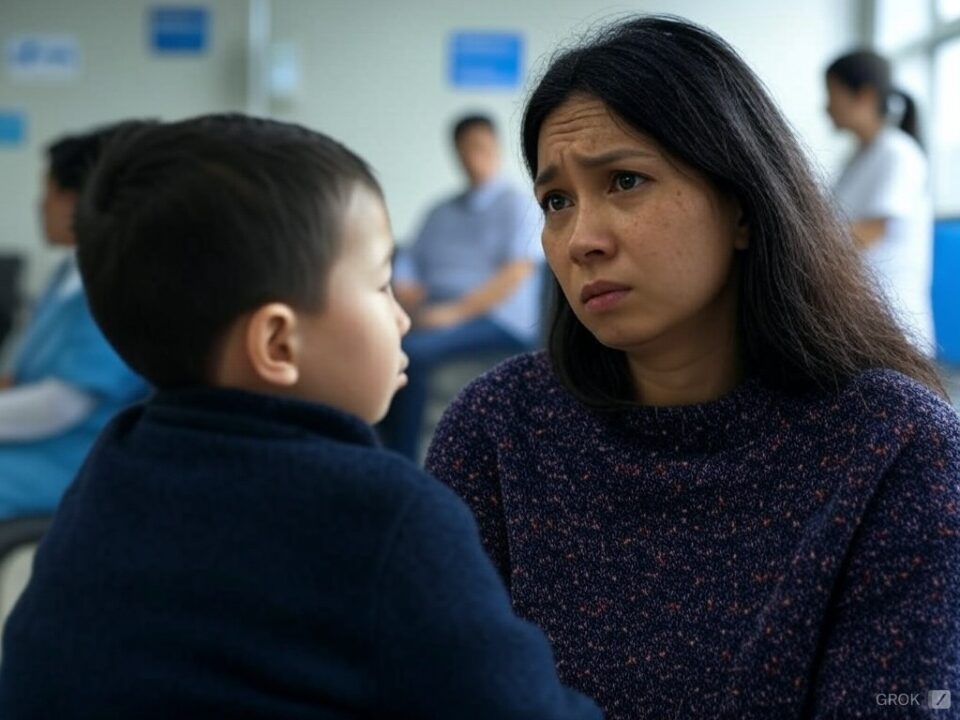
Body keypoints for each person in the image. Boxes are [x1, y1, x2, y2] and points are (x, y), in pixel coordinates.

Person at [426, 16, 960, 720]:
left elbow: (911, 701)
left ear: (742, 205)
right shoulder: (499, 429)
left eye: (625, 181)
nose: (581, 238)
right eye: (556, 201)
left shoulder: (896, 450)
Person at [0, 115, 602, 720]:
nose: (400, 319)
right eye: (380, 285)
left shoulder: (114, 462)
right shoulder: (392, 515)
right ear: (278, 345)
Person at [0, 125, 147, 518]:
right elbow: (19, 373)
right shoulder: (67, 274)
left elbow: (62, 405)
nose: (39, 205)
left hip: (70, 457)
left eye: (47, 192)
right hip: (32, 441)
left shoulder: (116, 286)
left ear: (78, 199)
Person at [378, 114, 543, 460]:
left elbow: (516, 273)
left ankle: (402, 460)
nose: (474, 156)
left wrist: (452, 314)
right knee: (374, 340)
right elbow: (408, 256)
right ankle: (375, 450)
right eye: (466, 148)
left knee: (411, 353)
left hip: (497, 319)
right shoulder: (441, 211)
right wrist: (405, 280)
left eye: (481, 147)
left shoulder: (517, 205)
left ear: (495, 148)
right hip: (436, 309)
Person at [825, 50, 935, 354]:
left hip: (892, 327)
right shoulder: (859, 158)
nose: (826, 106)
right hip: (858, 323)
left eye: (832, 93)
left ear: (865, 95)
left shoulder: (897, 153)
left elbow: (869, 233)